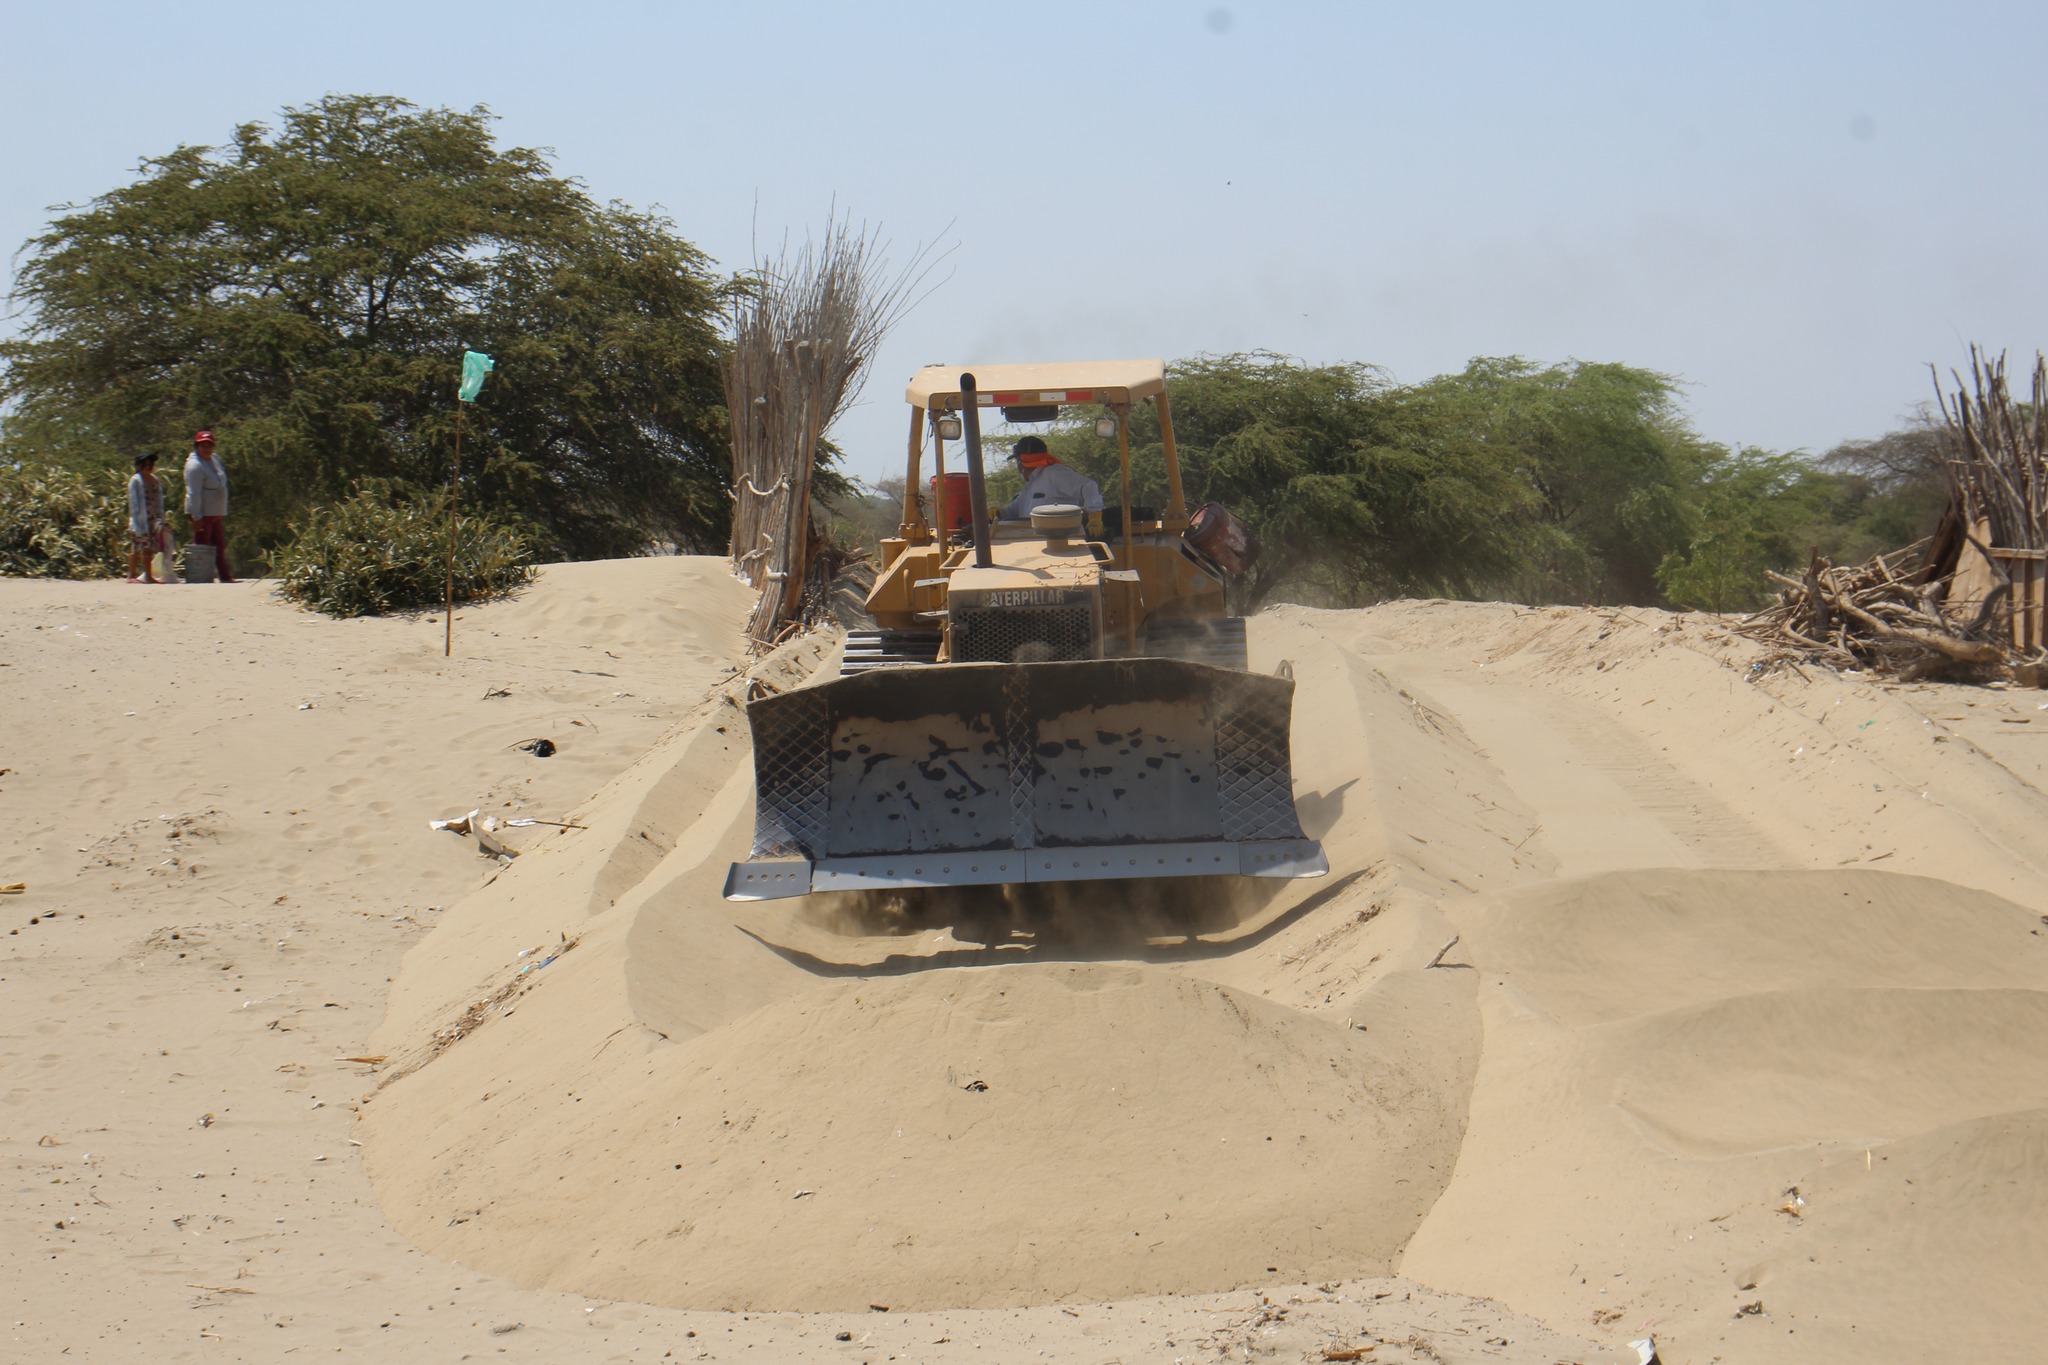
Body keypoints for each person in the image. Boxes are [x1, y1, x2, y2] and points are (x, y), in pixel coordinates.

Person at [998, 435, 1103, 521]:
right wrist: (999, 512)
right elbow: (1012, 512)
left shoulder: (1054, 473)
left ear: (1022, 461)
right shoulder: (1030, 486)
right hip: (1030, 539)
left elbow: (1088, 486)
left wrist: (1094, 515)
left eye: (1017, 461)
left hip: (1062, 539)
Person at [182, 430, 234, 583]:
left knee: (218, 543)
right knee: (203, 544)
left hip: (215, 511)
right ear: (196, 446)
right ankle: (200, 575)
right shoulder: (194, 466)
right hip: (203, 512)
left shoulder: (214, 459)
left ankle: (224, 574)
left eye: (209, 445)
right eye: (203, 445)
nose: (207, 449)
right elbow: (194, 493)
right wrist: (197, 516)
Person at [126, 452, 167, 584]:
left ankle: (147, 575)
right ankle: (132, 575)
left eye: (151, 465)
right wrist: (138, 522)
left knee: (149, 548)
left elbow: (159, 500)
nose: (148, 467)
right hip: (140, 520)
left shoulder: (155, 480)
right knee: (137, 547)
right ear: (138, 466)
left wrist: (160, 518)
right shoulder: (135, 480)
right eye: (145, 465)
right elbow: (134, 502)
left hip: (153, 519)